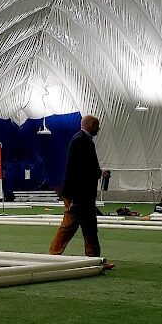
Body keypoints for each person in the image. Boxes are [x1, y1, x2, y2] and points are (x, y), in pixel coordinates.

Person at [49, 115, 115, 269]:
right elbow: (76, 170)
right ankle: (52, 255)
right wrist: (74, 197)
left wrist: (100, 173)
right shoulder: (80, 141)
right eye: (97, 125)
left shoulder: (83, 140)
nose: (98, 129)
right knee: (69, 226)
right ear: (91, 124)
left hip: (83, 194)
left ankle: (95, 260)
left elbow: (86, 166)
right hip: (78, 194)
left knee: (90, 227)